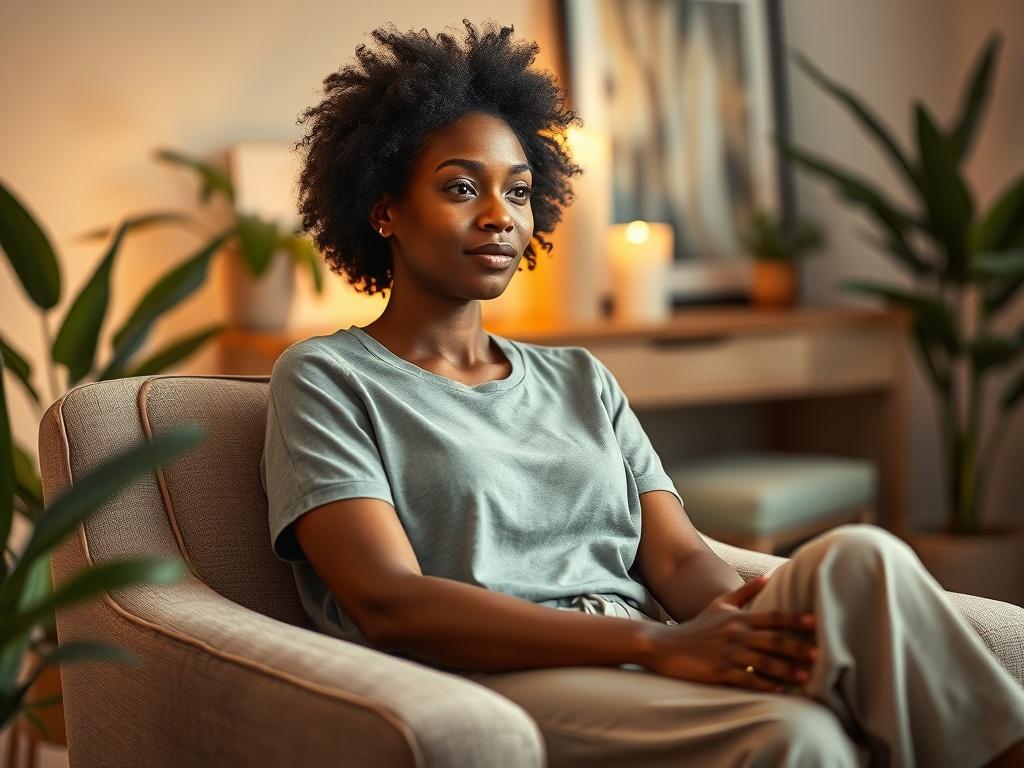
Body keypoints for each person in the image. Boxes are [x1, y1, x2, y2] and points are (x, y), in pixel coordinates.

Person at [261, 19, 1024, 767]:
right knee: (799, 737)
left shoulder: (580, 378)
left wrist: (738, 631)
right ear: (383, 208)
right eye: (462, 188)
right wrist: (656, 644)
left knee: (862, 556)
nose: (499, 216)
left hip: (645, 649)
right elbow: (391, 601)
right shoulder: (330, 378)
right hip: (498, 676)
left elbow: (681, 560)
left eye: (519, 192)